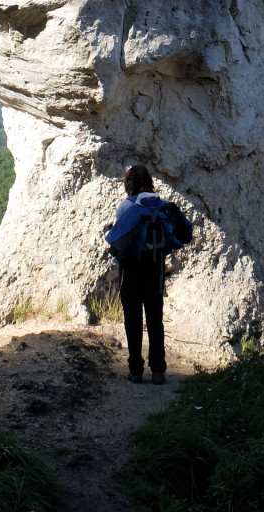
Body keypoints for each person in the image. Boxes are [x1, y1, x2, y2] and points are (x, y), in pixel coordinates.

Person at [113, 165, 168, 385]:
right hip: (155, 268)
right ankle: (158, 371)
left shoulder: (126, 207)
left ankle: (136, 370)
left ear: (129, 184)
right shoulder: (160, 206)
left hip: (131, 269)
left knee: (133, 320)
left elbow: (119, 238)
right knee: (155, 320)